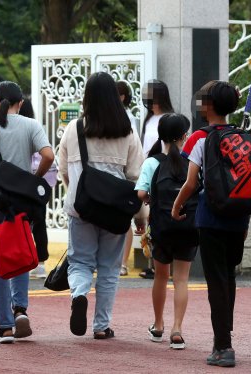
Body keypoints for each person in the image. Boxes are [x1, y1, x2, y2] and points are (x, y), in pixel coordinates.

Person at [59, 72, 144, 339]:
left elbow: (63, 171)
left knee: (80, 262)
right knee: (108, 268)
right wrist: (141, 216)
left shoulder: (74, 128)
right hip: (115, 211)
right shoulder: (126, 131)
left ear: (87, 97)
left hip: (81, 207)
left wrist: (79, 193)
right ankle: (101, 326)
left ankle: (80, 293)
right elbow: (136, 177)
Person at [172, 80, 247, 367]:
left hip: (212, 216)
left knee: (215, 279)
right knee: (228, 276)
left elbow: (191, 182)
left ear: (209, 106)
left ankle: (223, 347)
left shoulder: (200, 138)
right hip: (239, 216)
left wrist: (177, 207)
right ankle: (225, 335)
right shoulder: (242, 136)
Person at [0, 81, 54, 344]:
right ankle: (20, 309)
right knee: (21, 254)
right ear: (20, 103)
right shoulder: (31, 125)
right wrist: (34, 178)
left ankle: (5, 327)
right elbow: (48, 155)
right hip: (21, 203)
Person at [135, 113, 196, 350]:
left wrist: (152, 197)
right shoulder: (192, 161)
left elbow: (140, 194)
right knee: (181, 279)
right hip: (188, 227)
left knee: (161, 276)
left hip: (162, 228)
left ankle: (158, 325)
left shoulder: (152, 162)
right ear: (183, 137)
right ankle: (177, 329)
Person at [139, 79, 175, 279]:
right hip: (150, 171)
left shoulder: (168, 118)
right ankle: (154, 263)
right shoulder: (149, 119)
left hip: (164, 172)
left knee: (163, 216)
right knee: (152, 219)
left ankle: (162, 264)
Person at [19, 98, 57, 279]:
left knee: (21, 222)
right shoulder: (36, 127)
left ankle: (25, 259)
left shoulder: (19, 128)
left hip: (25, 182)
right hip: (42, 184)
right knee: (39, 222)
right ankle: (41, 262)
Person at [116, 81, 141, 276]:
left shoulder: (128, 119)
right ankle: (119, 262)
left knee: (125, 221)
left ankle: (123, 262)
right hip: (123, 175)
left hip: (124, 176)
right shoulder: (121, 117)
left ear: (122, 97)